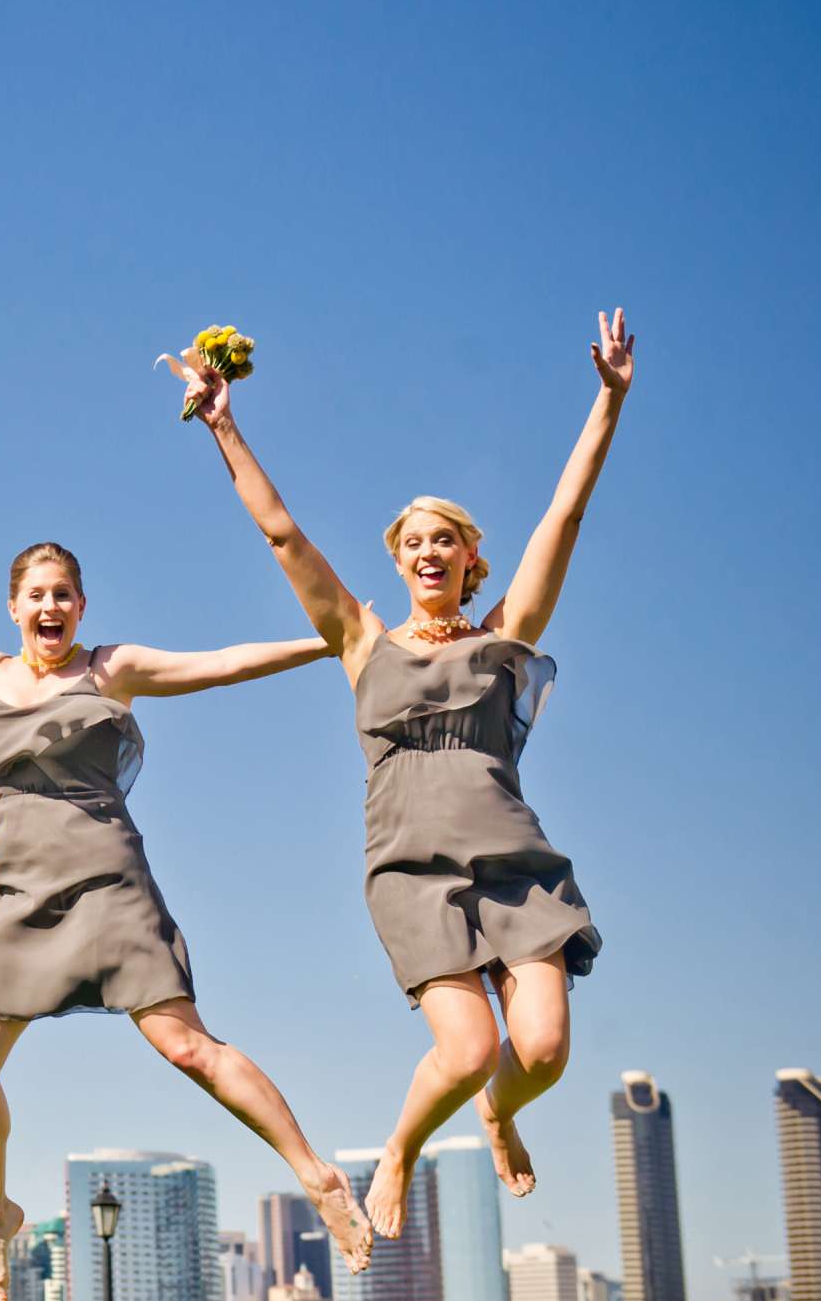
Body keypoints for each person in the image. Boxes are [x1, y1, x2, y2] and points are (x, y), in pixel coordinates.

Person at [0, 490, 371, 1301]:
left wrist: (325, 642)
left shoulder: (113, 668)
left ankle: (317, 1177)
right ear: (13, 606)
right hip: (24, 896)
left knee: (186, 1047)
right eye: (35, 594)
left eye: (62, 594)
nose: (50, 606)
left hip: (110, 884)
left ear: (80, 606)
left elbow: (220, 662)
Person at [183, 309, 634, 1235]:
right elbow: (282, 537)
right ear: (397, 559)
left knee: (540, 1049)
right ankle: (401, 1148)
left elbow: (567, 513)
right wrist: (225, 425)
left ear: (471, 561)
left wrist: (609, 400)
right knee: (468, 1048)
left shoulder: (506, 636)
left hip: (514, 860)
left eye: (446, 540)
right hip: (412, 870)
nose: (429, 552)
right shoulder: (361, 643)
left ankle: (500, 1114)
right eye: (414, 541)